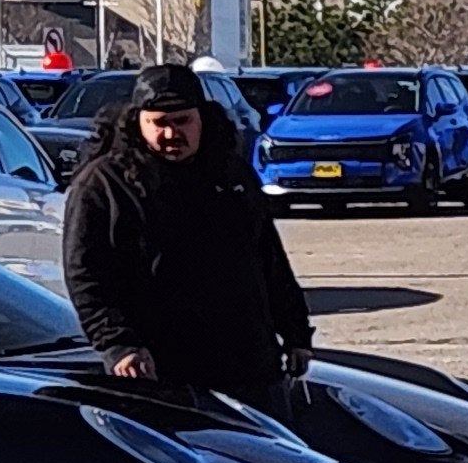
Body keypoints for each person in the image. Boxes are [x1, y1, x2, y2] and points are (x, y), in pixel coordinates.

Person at [61, 62, 312, 402]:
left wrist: (295, 333)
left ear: (202, 119)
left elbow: (268, 259)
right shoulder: (104, 185)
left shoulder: (231, 173)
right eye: (158, 124)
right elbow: (86, 275)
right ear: (137, 122)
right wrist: (118, 345)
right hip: (163, 374)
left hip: (251, 365)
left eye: (182, 121)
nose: (170, 134)